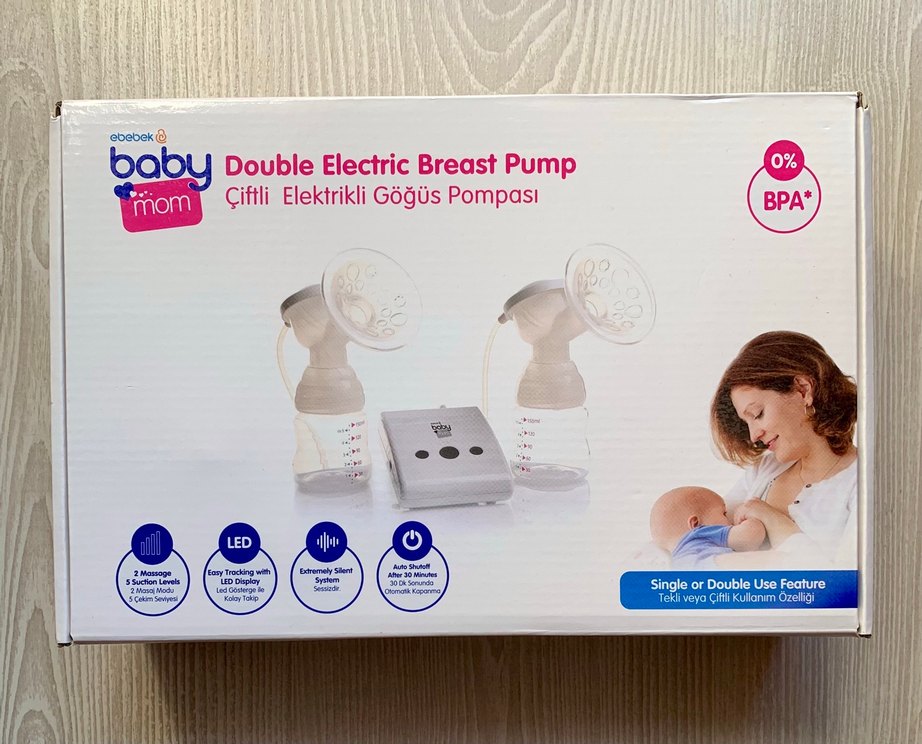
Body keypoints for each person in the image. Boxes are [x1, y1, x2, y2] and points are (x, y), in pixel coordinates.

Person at [710, 331, 858, 567]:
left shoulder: (861, 484)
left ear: (803, 390)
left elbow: (843, 583)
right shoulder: (765, 470)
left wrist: (770, 518)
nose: (754, 435)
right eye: (747, 423)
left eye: (757, 414)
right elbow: (704, 538)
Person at [650, 486, 767, 569]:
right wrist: (749, 516)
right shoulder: (700, 533)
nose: (730, 520)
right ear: (696, 523)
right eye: (724, 514)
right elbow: (751, 536)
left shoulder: (678, 562)